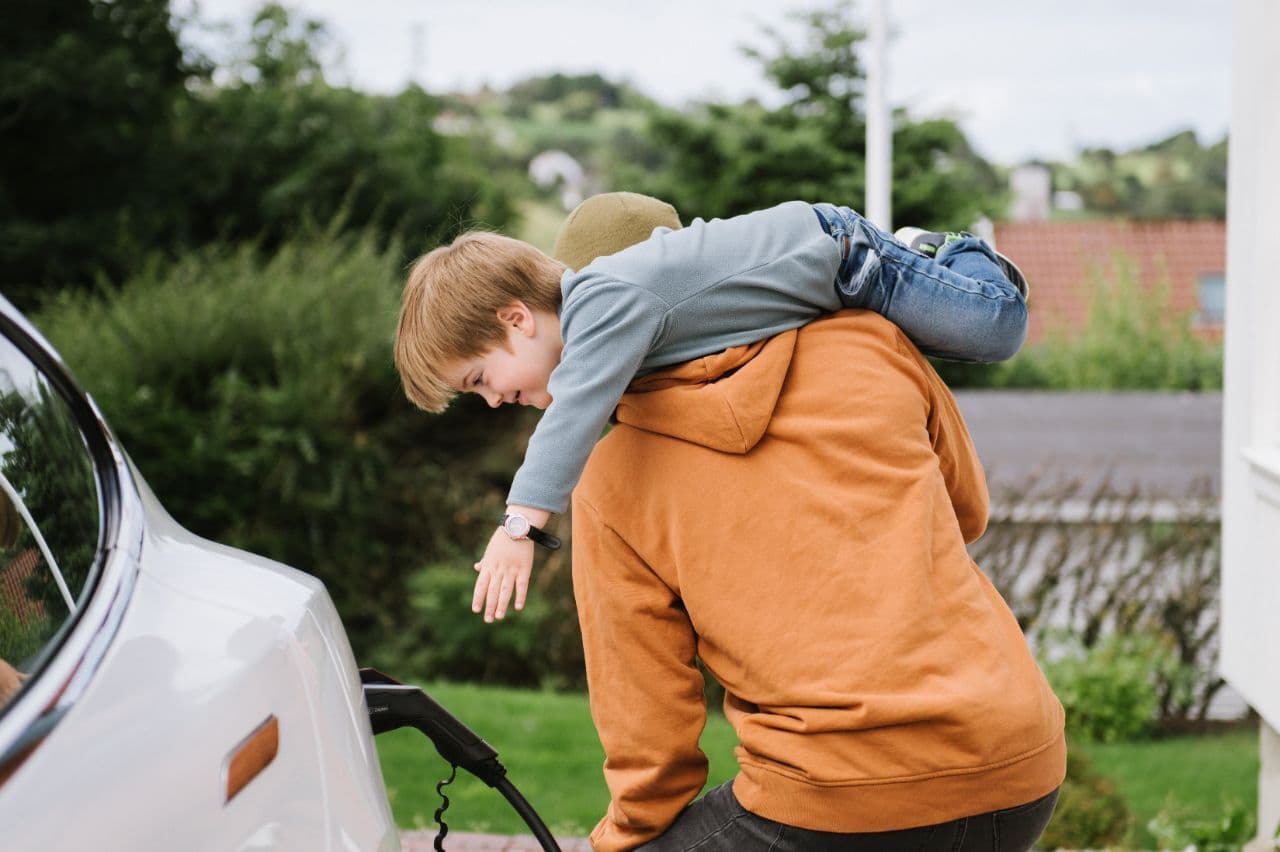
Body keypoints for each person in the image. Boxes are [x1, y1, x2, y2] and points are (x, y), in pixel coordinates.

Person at [394, 193, 1031, 622]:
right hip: (808, 279)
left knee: (994, 327)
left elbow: (573, 416)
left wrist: (520, 529)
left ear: (516, 319)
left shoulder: (601, 302)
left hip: (845, 257)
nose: (495, 399)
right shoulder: (611, 339)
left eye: (482, 378)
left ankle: (948, 251)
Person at [571, 306, 1065, 851]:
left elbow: (648, 721)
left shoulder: (611, 477)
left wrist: (629, 831)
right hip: (1016, 762)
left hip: (833, 797)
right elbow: (966, 512)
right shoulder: (866, 340)